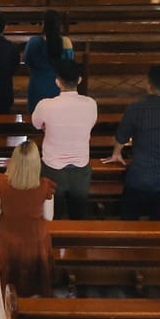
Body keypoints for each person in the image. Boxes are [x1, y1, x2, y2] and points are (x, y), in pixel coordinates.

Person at [110, 66, 160, 220]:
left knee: (129, 216)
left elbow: (122, 136)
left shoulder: (135, 109)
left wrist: (116, 153)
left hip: (140, 175)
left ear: (148, 85)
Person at [0, 140, 57, 298]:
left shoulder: (1, 183)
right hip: (36, 243)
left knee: (5, 283)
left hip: (8, 241)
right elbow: (49, 217)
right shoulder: (45, 186)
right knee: (34, 285)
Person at [31, 61, 98, 219]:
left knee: (52, 215)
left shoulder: (45, 105)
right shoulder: (91, 104)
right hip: (81, 169)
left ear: (57, 81)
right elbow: (90, 124)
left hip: (52, 168)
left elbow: (36, 124)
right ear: (79, 80)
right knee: (78, 215)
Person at [22, 10, 72, 116]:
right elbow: (69, 63)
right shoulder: (65, 42)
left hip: (37, 89)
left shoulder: (33, 42)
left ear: (43, 24)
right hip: (58, 89)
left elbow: (26, 61)